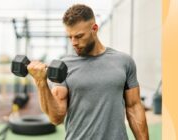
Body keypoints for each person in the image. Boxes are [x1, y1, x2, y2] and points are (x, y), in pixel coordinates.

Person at [27, 4, 149, 140]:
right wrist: (41, 82)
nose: (74, 42)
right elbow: (56, 118)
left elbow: (134, 107)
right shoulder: (64, 66)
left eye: (79, 36)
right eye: (70, 37)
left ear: (94, 29)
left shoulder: (124, 62)